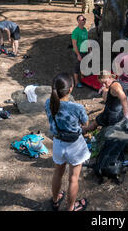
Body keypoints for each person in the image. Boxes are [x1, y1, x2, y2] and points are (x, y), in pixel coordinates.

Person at [46, 72, 92, 211]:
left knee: (58, 173)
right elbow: (85, 124)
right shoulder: (77, 108)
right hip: (75, 145)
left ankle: (55, 200)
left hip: (58, 144)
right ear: (70, 89)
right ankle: (71, 208)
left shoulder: (49, 103)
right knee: (73, 179)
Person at [71, 15, 89, 88]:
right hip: (78, 52)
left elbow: (86, 40)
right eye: (82, 19)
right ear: (78, 21)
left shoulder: (85, 30)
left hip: (85, 51)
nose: (84, 20)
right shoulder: (75, 32)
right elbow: (74, 44)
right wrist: (78, 54)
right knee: (77, 67)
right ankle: (76, 82)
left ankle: (83, 80)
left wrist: (89, 48)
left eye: (85, 19)